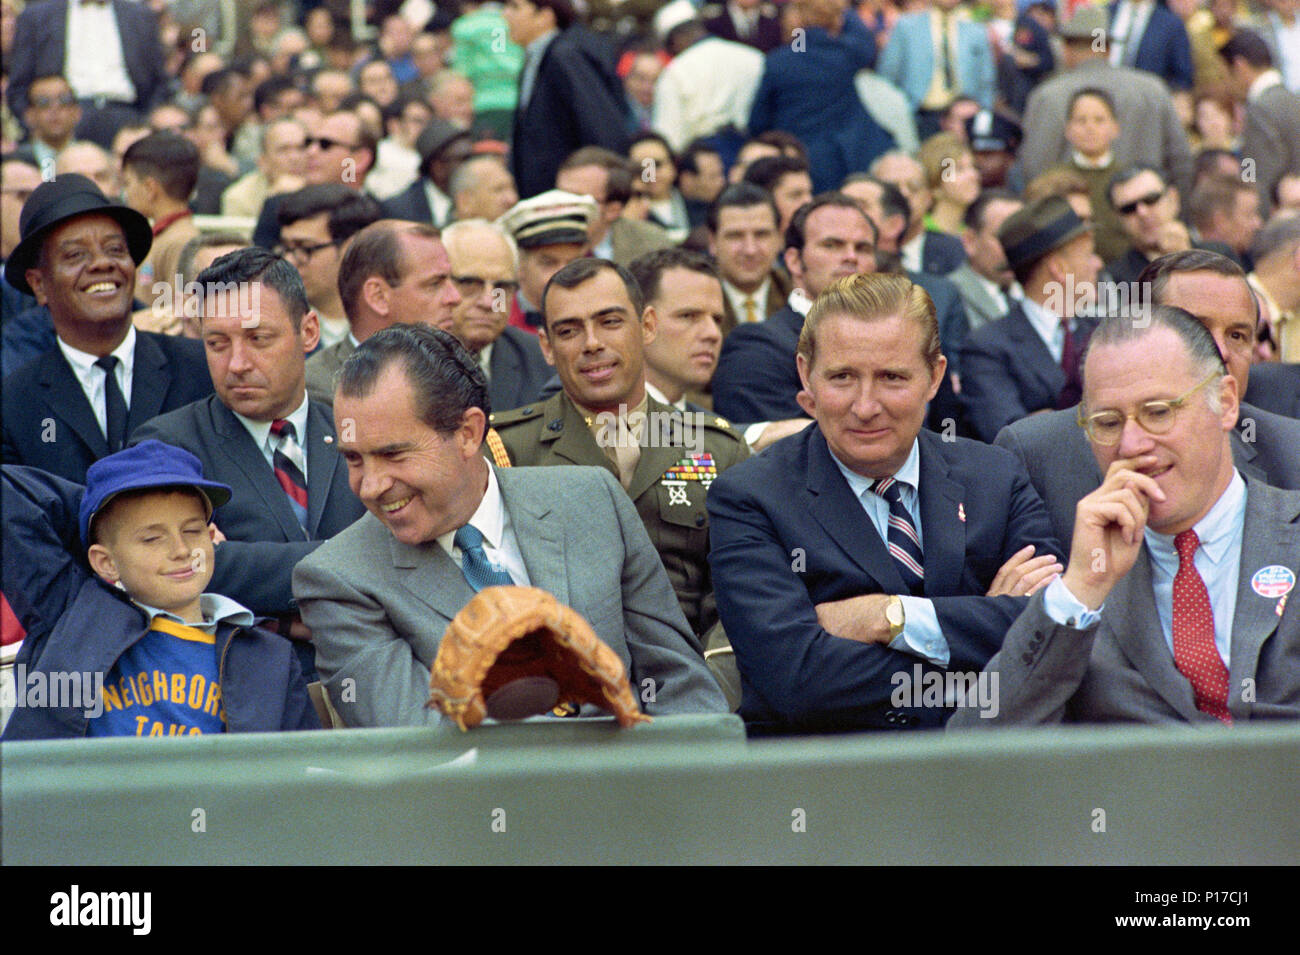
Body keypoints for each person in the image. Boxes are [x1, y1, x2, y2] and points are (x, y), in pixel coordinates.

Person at [292, 322, 727, 727]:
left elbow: (681, 682)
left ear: (467, 432)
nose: (370, 485)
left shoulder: (592, 499)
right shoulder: (339, 579)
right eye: (353, 458)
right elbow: (419, 744)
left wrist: (679, 790)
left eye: (393, 455)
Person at [706, 272, 1063, 735]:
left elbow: (1053, 634)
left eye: (892, 377)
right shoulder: (749, 497)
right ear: (805, 375)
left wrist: (888, 616)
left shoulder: (995, 476)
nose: (866, 406)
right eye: (842, 377)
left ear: (935, 376)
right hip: (827, 782)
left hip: (986, 769)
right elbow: (796, 678)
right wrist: (982, 650)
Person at [950, 306, 1300, 727]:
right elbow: (978, 747)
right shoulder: (1080, 585)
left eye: (1158, 412)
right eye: (1108, 422)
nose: (1131, 444)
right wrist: (1080, 590)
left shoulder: (1289, 533)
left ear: (1225, 404)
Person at [491, 257, 750, 636]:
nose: (592, 344)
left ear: (647, 326)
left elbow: (737, 600)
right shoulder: (507, 451)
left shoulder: (716, 447)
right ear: (546, 346)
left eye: (610, 322)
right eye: (568, 331)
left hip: (691, 674)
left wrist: (709, 688)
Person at [1, 441, 320, 740]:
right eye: (152, 538)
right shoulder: (73, 614)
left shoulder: (269, 655)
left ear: (212, 537)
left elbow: (298, 775)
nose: (181, 550)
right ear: (104, 562)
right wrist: (97, 512)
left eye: (193, 531)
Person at [131, 245, 366, 639]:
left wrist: (241, 568)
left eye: (258, 338)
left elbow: (408, 548)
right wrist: (361, 559)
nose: (237, 363)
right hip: (241, 680)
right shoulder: (167, 446)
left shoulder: (357, 432)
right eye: (217, 344)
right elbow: (182, 569)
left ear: (309, 332)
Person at [995, 250, 1300, 549]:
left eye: (1237, 335)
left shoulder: (1290, 452)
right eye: (1197, 329)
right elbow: (1028, 593)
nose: (1220, 351)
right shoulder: (1036, 454)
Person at [2, 175, 212, 484]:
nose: (102, 263)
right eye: (75, 255)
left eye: (115, 249)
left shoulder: (200, 368)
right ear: (39, 284)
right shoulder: (15, 404)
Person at [713, 193, 876, 425]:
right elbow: (784, 452)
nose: (851, 257)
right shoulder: (757, 347)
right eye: (832, 245)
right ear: (794, 261)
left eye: (863, 248)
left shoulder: (900, 340)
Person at [960, 196, 1102, 443]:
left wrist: (1043, 418)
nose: (1097, 264)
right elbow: (1011, 439)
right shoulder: (986, 347)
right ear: (1058, 268)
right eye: (1088, 255)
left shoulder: (1103, 332)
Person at [1018, 5, 1193, 199]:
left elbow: (1034, 167)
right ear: (1108, 50)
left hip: (1072, 221)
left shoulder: (1048, 95)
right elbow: (1181, 162)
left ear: (1066, 48)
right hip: (1144, 213)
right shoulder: (1153, 90)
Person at [306, 220, 464, 407]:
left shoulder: (457, 371)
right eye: (434, 284)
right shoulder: (324, 391)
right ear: (378, 296)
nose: (455, 297)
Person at [747, 2, 891, 194]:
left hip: (799, 163)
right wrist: (834, 10)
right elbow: (865, 38)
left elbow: (758, 121)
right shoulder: (846, 54)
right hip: (850, 157)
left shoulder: (780, 61)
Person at [504, 0, 630, 198]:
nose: (505, 15)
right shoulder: (537, 57)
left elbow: (600, 126)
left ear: (545, 16)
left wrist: (608, 190)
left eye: (515, 7)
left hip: (572, 195)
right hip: (545, 195)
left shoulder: (565, 55)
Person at [7, 0, 169, 149]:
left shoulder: (140, 15)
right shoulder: (37, 16)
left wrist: (147, 121)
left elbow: (158, 81)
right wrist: (33, 125)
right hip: (62, 114)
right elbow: (19, 85)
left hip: (128, 114)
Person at [442, 219, 550, 413]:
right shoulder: (405, 360)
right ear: (439, 282)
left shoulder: (542, 361)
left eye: (501, 288)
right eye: (470, 284)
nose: (489, 302)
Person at [276, 186, 385, 349]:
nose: (289, 261)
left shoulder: (390, 326)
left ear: (352, 249)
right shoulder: (277, 330)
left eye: (305, 248)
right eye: (286, 248)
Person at [877, 0, 997, 136]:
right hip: (917, 116)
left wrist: (981, 115)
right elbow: (887, 75)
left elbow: (987, 80)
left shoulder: (976, 30)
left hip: (961, 118)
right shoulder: (907, 26)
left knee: (950, 158)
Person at [1103, 165, 1231, 286]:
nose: (1142, 213)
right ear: (1118, 219)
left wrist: (1186, 258)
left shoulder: (1220, 256)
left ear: (1173, 199)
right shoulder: (1114, 280)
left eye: (1151, 199)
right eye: (1129, 208)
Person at [1220, 29, 1300, 216]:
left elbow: (1254, 176)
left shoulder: (1259, 110)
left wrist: (1254, 219)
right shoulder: (1293, 100)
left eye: (1225, 75)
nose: (1226, 85)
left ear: (1239, 67)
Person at [554, 147, 673, 266]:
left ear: (612, 210)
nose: (561, 205)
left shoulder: (652, 245)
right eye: (559, 195)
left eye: (576, 199)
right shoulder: (539, 239)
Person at [498, 189, 595, 332]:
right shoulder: (499, 319)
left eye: (573, 263)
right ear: (519, 266)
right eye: (549, 263)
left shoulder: (599, 318)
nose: (563, 274)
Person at [120, 133, 201, 301]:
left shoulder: (182, 241)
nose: (125, 193)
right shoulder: (162, 237)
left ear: (150, 188)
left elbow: (181, 313)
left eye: (128, 183)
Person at [706, 183, 791, 333]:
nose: (750, 250)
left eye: (761, 234)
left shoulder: (799, 299)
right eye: (735, 236)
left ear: (779, 239)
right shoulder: (694, 304)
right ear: (712, 242)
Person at [947, 189, 1024, 333]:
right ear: (970, 241)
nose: (1014, 246)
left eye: (1021, 235)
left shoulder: (1040, 290)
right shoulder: (947, 296)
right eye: (1002, 236)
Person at [381, 119, 475, 228]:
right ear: (438, 167)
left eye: (472, 158)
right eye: (464, 159)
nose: (472, 165)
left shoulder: (479, 198)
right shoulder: (398, 210)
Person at [448, 154, 519, 222]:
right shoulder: (442, 234)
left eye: (513, 188)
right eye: (498, 190)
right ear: (465, 201)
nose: (512, 199)